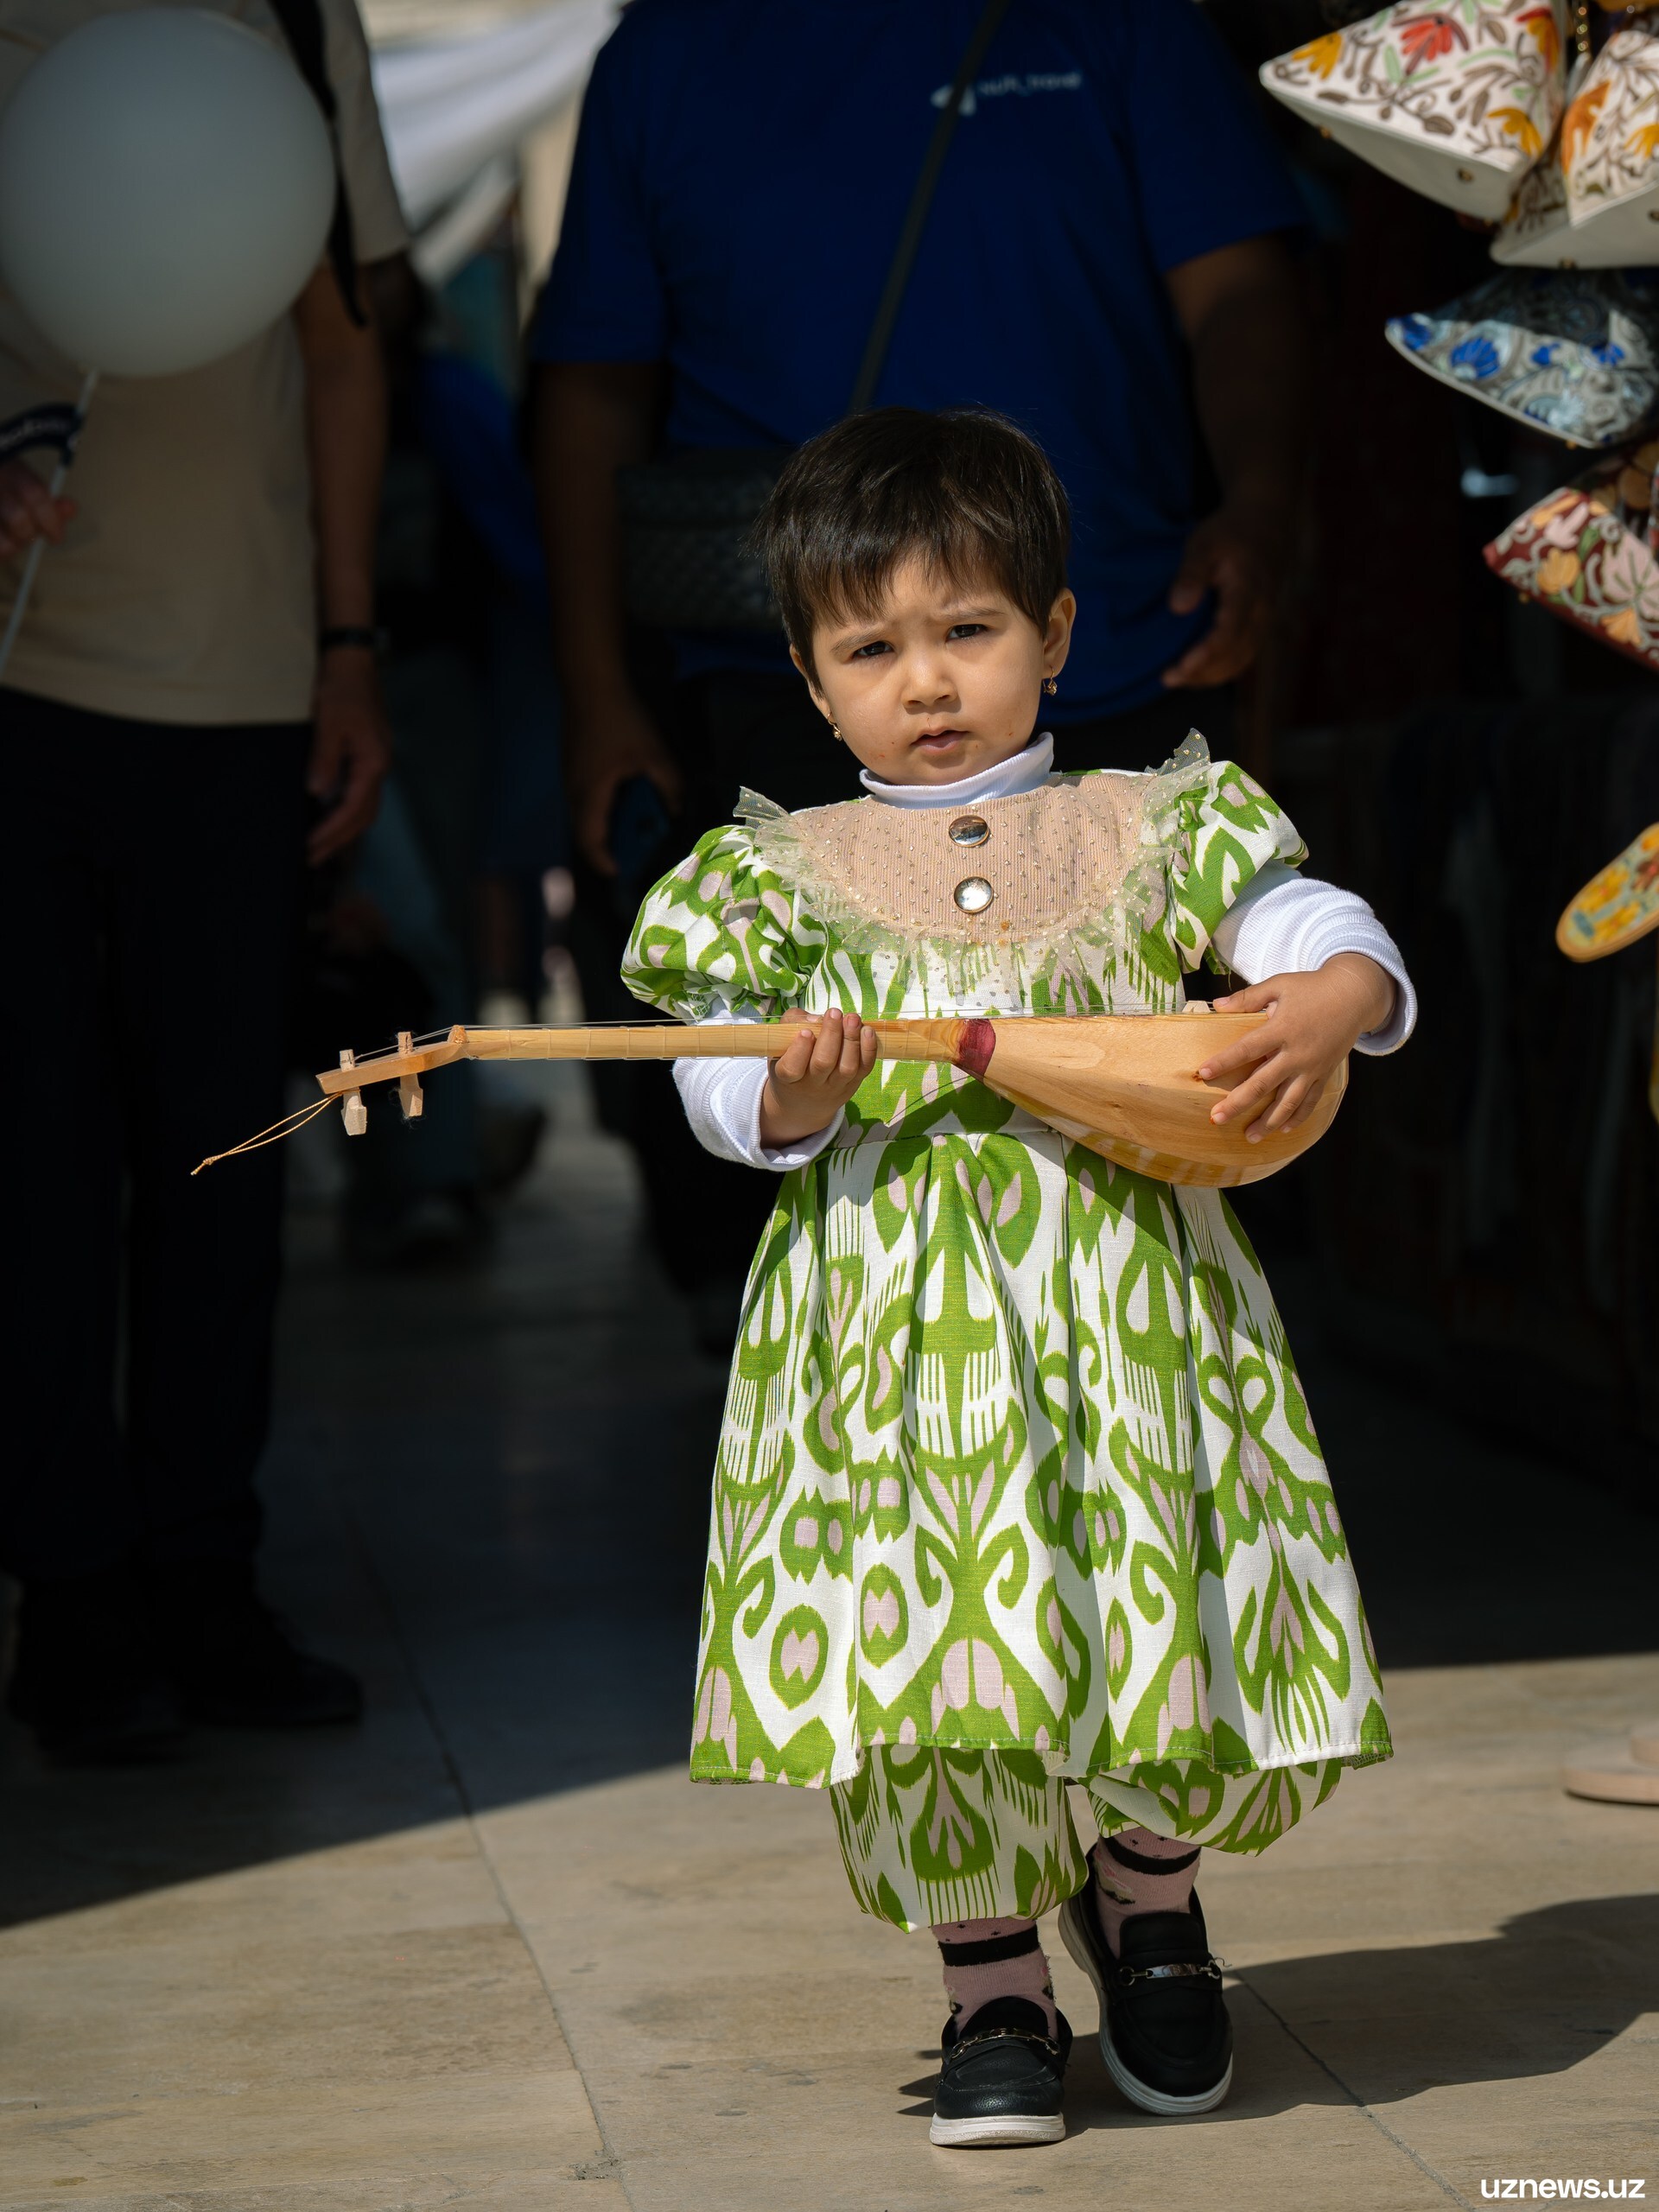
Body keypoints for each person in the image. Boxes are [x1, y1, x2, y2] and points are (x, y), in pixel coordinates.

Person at [620, 410, 1415, 2146]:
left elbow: (1313, 924)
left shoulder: (1148, 825)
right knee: (938, 1663)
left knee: (1159, 1604)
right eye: (869, 649)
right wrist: (789, 1090)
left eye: (967, 629)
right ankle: (991, 1981)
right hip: (893, 1358)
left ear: (1054, 633)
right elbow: (710, 1088)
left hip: (1136, 1330)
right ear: (810, 679)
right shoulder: (775, 879)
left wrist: (1340, 995)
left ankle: (1150, 1903)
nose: (925, 681)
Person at [531, 0, 1309, 1312]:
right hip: (772, 702)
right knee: (794, 1092)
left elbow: (1240, 287)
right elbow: (592, 386)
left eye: (955, 638)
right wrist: (599, 692)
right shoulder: (667, 57)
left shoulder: (1114, 22)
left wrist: (1264, 506)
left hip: (1128, 654)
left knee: (1179, 1103)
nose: (931, 679)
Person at [0, 0, 407, 1763]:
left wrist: (348, 650)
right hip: (14, 685)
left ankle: (204, 1577)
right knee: (31, 1173)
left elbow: (342, 345)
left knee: (225, 1170)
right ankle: (70, 1599)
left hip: (237, 694)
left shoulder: (294, 16)